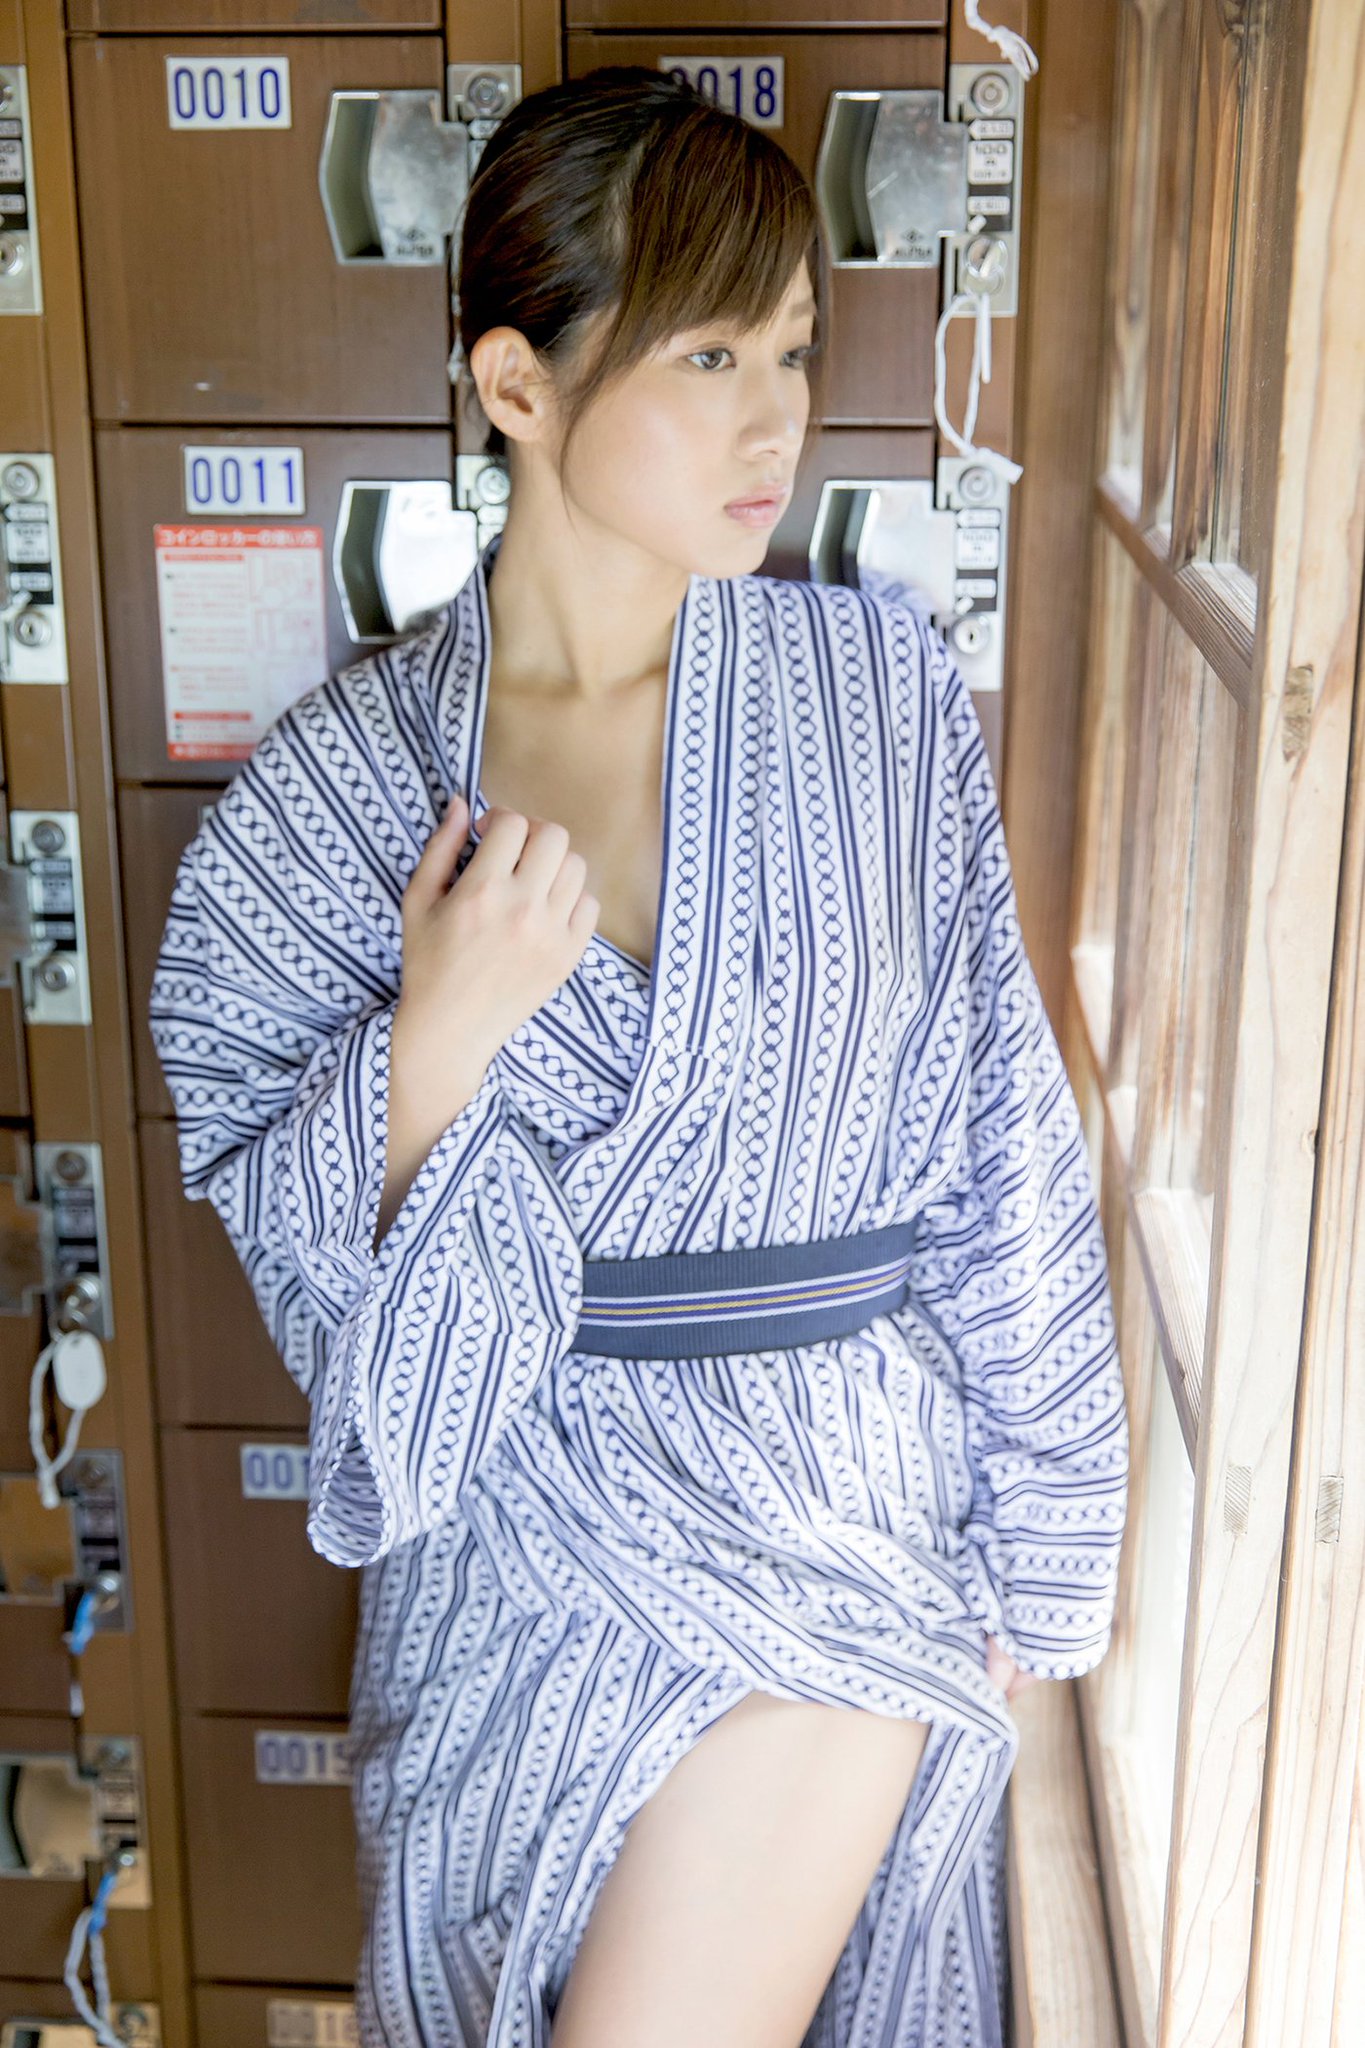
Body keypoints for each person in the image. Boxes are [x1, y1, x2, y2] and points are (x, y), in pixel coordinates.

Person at [148, 66, 1129, 2048]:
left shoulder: (876, 700)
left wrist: (1047, 1551)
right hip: (505, 1549)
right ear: (517, 385)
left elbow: (999, 1143)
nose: (776, 419)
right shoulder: (331, 801)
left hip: (833, 1519)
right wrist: (432, 1038)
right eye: (707, 354)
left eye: (794, 348)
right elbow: (322, 1315)